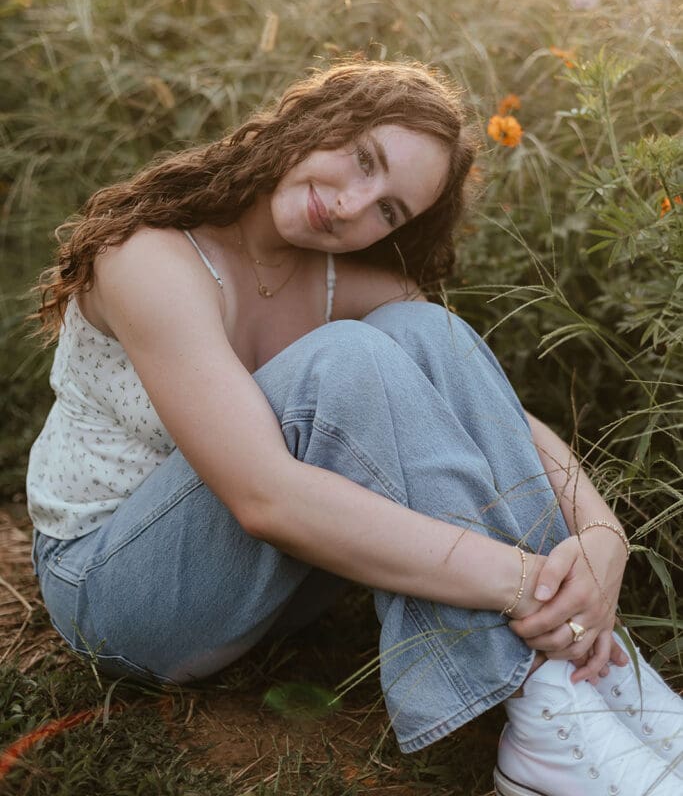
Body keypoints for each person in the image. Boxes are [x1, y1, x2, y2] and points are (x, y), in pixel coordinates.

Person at [27, 62, 681, 795]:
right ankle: (545, 691)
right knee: (345, 357)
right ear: (315, 121)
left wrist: (601, 538)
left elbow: (502, 417)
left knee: (428, 330)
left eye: (388, 210)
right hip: (118, 592)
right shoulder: (149, 258)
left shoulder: (339, 281)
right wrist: (526, 584)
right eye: (362, 161)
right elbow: (263, 498)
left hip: (267, 590)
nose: (352, 205)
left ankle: (601, 666)